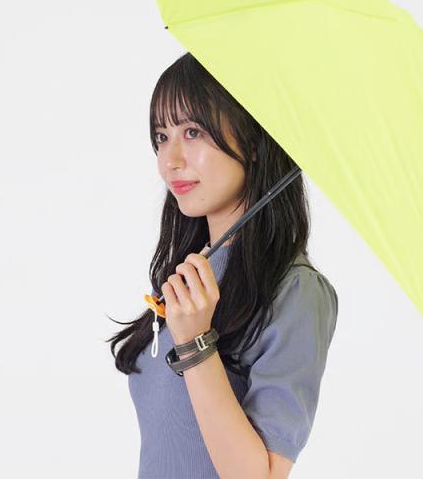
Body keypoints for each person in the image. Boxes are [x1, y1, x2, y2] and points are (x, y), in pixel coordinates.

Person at [106, 51, 339, 478]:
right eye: (162, 136)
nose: (171, 159)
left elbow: (261, 475)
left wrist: (196, 343)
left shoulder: (295, 291)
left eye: (193, 131)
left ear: (253, 142)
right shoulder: (190, 277)